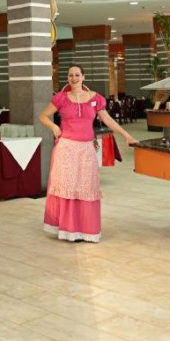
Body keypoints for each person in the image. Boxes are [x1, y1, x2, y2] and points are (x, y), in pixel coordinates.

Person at [39, 64, 138, 242]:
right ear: (67, 78)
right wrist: (54, 127)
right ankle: (69, 230)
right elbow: (43, 116)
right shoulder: (61, 98)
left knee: (87, 187)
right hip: (66, 149)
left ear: (83, 77)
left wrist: (126, 135)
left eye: (77, 75)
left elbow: (107, 119)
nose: (74, 78)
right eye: (71, 75)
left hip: (86, 149)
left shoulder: (96, 98)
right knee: (68, 188)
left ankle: (86, 230)